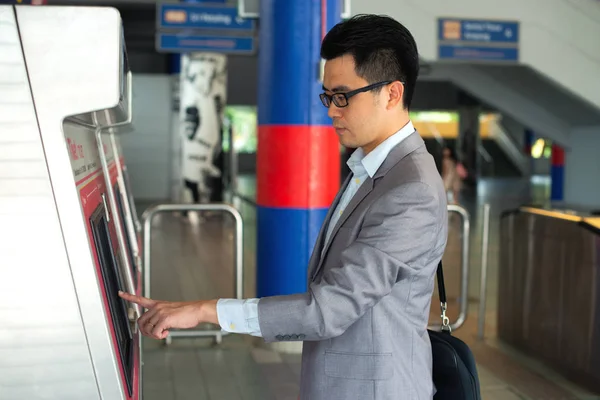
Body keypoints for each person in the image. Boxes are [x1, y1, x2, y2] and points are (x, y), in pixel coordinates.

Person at [120, 14, 448, 400]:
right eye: (327, 96)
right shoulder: (370, 166)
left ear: (392, 94)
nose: (331, 110)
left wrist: (206, 311)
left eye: (343, 96)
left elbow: (330, 309)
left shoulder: (411, 190)